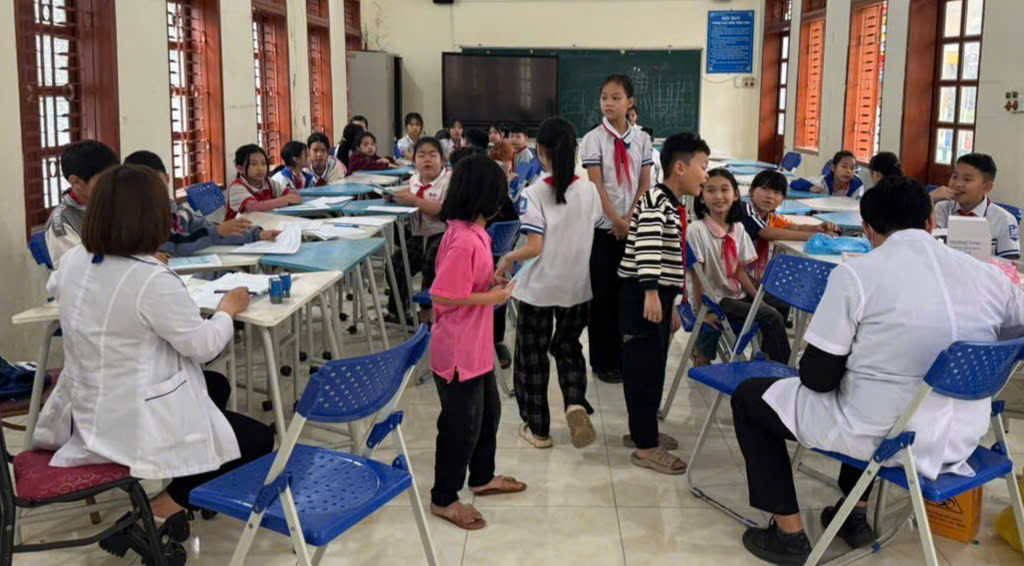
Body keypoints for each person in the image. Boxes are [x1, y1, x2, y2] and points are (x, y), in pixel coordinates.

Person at [731, 175, 1024, 564]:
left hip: (885, 436)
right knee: (868, 389)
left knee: (751, 398)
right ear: (931, 222)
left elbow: (817, 378)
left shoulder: (856, 274)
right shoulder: (989, 276)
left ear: (868, 230)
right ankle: (854, 512)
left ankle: (789, 534)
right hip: (963, 437)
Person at [31, 164, 274, 533]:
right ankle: (161, 508)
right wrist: (227, 311)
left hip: (90, 402)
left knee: (216, 387)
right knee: (258, 439)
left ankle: (188, 479)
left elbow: (67, 289)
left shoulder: (74, 260)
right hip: (132, 418)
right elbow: (203, 347)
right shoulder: (151, 279)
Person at [429, 154, 526, 530]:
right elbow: (442, 294)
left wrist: (489, 285)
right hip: (458, 351)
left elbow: (466, 283)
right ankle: (444, 498)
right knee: (460, 425)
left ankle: (482, 477)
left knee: (488, 414)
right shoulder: (465, 240)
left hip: (476, 346)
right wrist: (491, 297)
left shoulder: (474, 234)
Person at [494, 118, 602, 450]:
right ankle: (574, 402)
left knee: (532, 355)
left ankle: (538, 428)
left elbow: (535, 247)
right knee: (568, 347)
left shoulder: (533, 193)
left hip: (539, 288)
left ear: (540, 151)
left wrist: (508, 258)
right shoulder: (589, 190)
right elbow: (596, 225)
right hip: (576, 286)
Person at [617, 132, 708, 474]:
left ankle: (644, 433)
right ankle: (645, 447)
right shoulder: (657, 201)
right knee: (643, 370)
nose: (705, 175)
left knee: (652, 366)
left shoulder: (670, 202)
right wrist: (652, 293)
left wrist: (670, 302)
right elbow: (648, 247)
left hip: (656, 293)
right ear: (680, 168)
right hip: (643, 293)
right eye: (703, 166)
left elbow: (671, 256)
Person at [580, 74, 655, 384]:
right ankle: (602, 361)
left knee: (629, 296)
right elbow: (596, 184)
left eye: (615, 98)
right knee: (603, 296)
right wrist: (616, 220)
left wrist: (630, 219)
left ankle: (626, 358)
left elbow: (644, 183)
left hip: (633, 228)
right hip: (604, 229)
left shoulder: (642, 139)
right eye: (604, 98)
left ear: (630, 102)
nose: (608, 103)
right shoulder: (592, 139)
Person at [688, 168, 792, 367]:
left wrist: (758, 298)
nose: (718, 196)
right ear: (701, 196)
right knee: (771, 316)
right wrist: (702, 311)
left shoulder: (738, 228)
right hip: (715, 299)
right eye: (711, 190)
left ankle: (767, 357)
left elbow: (739, 271)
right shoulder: (696, 229)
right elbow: (696, 276)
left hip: (735, 293)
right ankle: (783, 370)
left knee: (780, 303)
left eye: (724, 190)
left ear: (736, 195)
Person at [123, 150, 279, 257]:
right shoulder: (140, 219)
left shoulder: (177, 210)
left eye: (155, 182)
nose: (150, 190)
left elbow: (207, 228)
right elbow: (176, 245)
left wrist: (257, 234)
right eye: (141, 186)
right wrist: (217, 232)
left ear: (167, 179)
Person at [386, 137, 451, 324]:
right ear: (414, 160)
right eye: (421, 155)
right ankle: (398, 311)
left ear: (442, 159)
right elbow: (410, 191)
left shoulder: (448, 180)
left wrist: (415, 201)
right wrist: (393, 195)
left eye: (432, 155)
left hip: (443, 234)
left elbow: (443, 211)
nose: (427, 159)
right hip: (419, 234)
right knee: (396, 264)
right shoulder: (415, 178)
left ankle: (427, 313)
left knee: (431, 262)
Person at [741, 169, 840, 281]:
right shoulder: (744, 208)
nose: (770, 196)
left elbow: (794, 227)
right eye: (765, 189)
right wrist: (815, 236)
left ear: (782, 200)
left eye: (776, 192)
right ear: (751, 191)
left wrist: (818, 228)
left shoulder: (768, 216)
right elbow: (766, 232)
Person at [45, 140, 120, 268]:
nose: (112, 186)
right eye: (104, 181)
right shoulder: (62, 221)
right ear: (76, 182)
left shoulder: (114, 202)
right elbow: (75, 269)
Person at [932, 153, 1019, 260]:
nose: (957, 184)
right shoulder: (941, 208)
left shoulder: (1004, 219)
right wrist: (929, 200)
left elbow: (1009, 263)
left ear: (986, 187)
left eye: (967, 179)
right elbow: (927, 244)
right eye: (954, 177)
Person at [225, 144, 301, 220]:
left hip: (264, 222)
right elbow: (254, 207)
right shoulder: (236, 187)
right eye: (253, 164)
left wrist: (290, 197)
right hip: (240, 226)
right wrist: (286, 200)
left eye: (263, 163)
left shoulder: (268, 182)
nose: (260, 168)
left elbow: (294, 195)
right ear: (240, 169)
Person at [791, 150, 864, 198]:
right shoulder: (822, 182)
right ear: (833, 168)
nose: (848, 171)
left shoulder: (857, 185)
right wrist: (810, 187)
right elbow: (794, 183)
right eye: (844, 166)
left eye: (852, 168)